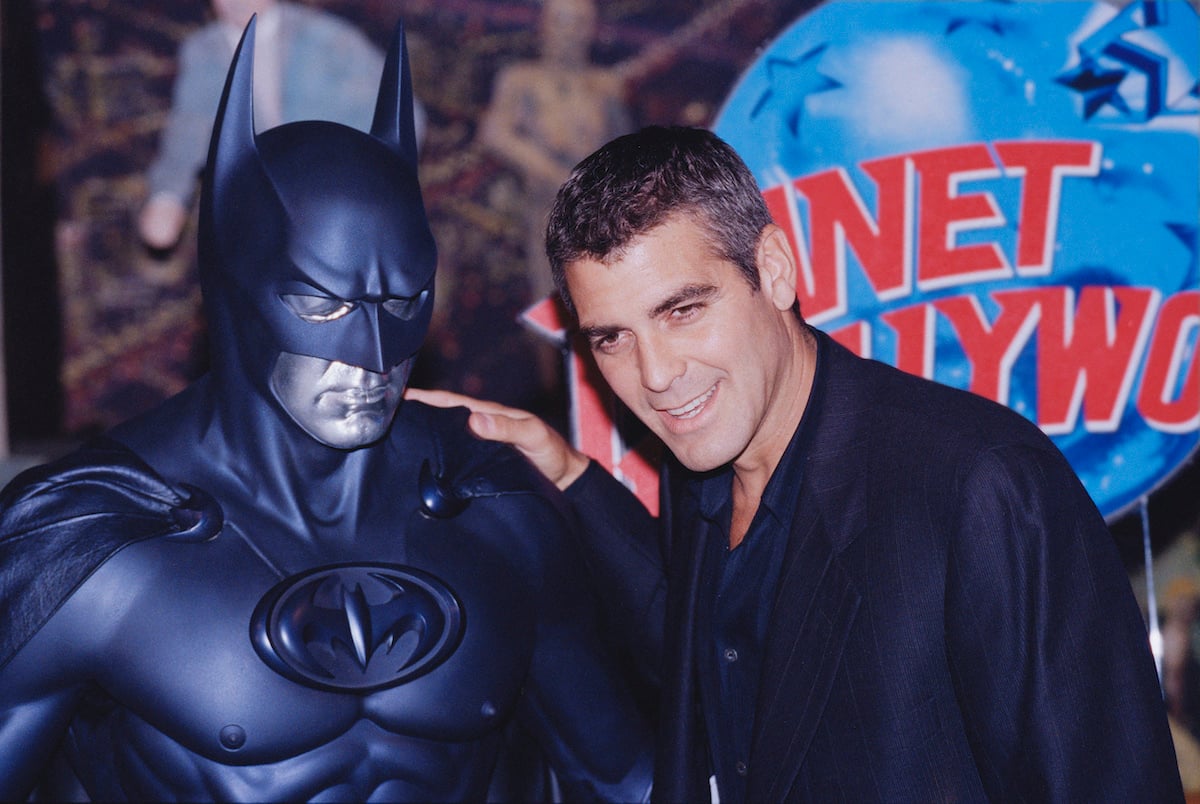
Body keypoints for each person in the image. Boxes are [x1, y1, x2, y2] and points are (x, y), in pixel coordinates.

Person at [408, 125, 1185, 802]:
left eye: (683, 310)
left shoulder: (980, 486)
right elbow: (703, 653)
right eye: (611, 337)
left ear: (774, 268)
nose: (655, 374)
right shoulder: (706, 475)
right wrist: (569, 474)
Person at [0, 19, 651, 801]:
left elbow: (624, 777)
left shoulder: (492, 507)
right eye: (320, 302)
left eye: (403, 299)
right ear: (233, 290)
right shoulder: (92, 543)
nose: (373, 350)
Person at [138, 0, 426, 251]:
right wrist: (168, 196)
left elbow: (404, 113)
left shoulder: (325, 36)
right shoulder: (203, 50)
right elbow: (189, 129)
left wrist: (368, 183)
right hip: (264, 214)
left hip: (342, 203)